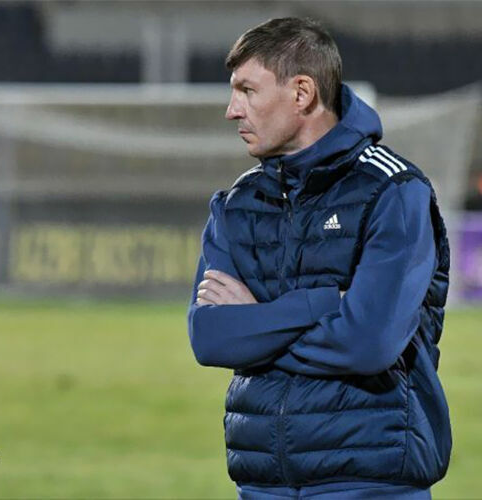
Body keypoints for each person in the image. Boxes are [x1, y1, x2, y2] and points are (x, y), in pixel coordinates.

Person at [187, 17, 451, 499]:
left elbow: (369, 344)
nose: (231, 110)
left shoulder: (393, 191)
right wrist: (323, 304)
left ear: (302, 93)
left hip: (370, 482)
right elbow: (210, 338)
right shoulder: (238, 204)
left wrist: (257, 323)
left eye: (247, 90)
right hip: (263, 483)